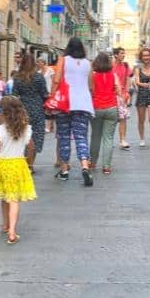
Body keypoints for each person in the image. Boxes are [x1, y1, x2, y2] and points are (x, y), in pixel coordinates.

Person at [0, 96, 37, 244]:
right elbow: (32, 147)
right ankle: (13, 231)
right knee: (14, 199)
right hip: (18, 164)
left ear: (3, 113)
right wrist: (28, 161)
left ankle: (6, 225)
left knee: (5, 196)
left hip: (3, 165)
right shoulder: (26, 129)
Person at [54, 37, 95, 187]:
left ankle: (64, 171)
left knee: (64, 136)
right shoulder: (88, 63)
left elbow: (57, 80)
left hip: (65, 103)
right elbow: (91, 86)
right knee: (81, 136)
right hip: (83, 104)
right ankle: (85, 166)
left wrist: (52, 96)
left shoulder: (63, 60)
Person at [11, 53, 48, 171]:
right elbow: (45, 94)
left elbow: (14, 95)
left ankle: (24, 161)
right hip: (37, 109)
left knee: (23, 136)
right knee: (36, 136)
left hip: (23, 109)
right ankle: (30, 164)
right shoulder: (39, 77)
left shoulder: (17, 77)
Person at [89, 51, 121, 175]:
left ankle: (93, 162)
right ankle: (106, 166)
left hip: (96, 107)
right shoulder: (113, 75)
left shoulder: (93, 75)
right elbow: (118, 90)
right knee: (109, 138)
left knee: (95, 136)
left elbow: (91, 91)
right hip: (111, 107)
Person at [134, 47, 150, 150]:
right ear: (141, 57)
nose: (146, 57)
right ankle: (142, 139)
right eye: (144, 55)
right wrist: (142, 84)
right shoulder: (137, 68)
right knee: (141, 119)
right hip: (141, 95)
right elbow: (137, 81)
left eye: (148, 55)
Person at [113, 47, 132, 150]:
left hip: (122, 95)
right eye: (121, 53)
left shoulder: (125, 65)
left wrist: (127, 93)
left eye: (124, 53)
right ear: (116, 55)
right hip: (112, 95)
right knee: (111, 119)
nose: (123, 55)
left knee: (123, 118)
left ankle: (123, 140)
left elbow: (128, 79)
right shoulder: (110, 66)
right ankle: (109, 139)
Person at [37, 57, 55, 134]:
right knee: (43, 109)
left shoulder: (50, 70)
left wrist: (52, 92)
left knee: (49, 109)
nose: (38, 63)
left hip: (49, 92)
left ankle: (48, 126)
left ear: (44, 62)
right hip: (41, 93)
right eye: (38, 62)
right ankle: (48, 126)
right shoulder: (38, 72)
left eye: (40, 62)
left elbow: (54, 81)